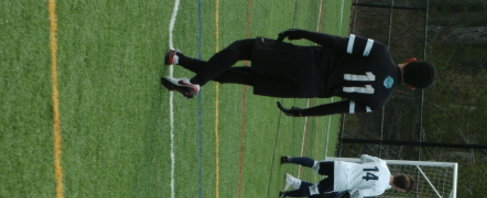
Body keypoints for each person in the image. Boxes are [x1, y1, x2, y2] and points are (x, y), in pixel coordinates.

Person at [160, 29, 435, 116]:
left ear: (412, 60)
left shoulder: (381, 53)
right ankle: (179, 59)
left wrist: (302, 33)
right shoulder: (378, 102)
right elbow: (335, 108)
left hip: (305, 62)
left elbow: (337, 43)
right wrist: (302, 113)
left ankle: (195, 82)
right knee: (238, 76)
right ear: (411, 87)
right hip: (306, 89)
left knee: (241, 49)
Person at [279, 154, 415, 198]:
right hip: (342, 182)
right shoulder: (380, 189)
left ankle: (290, 159)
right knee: (312, 191)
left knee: (316, 164)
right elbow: (360, 193)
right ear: (398, 188)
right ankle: (285, 193)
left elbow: (363, 157)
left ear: (399, 175)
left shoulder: (382, 164)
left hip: (342, 166)